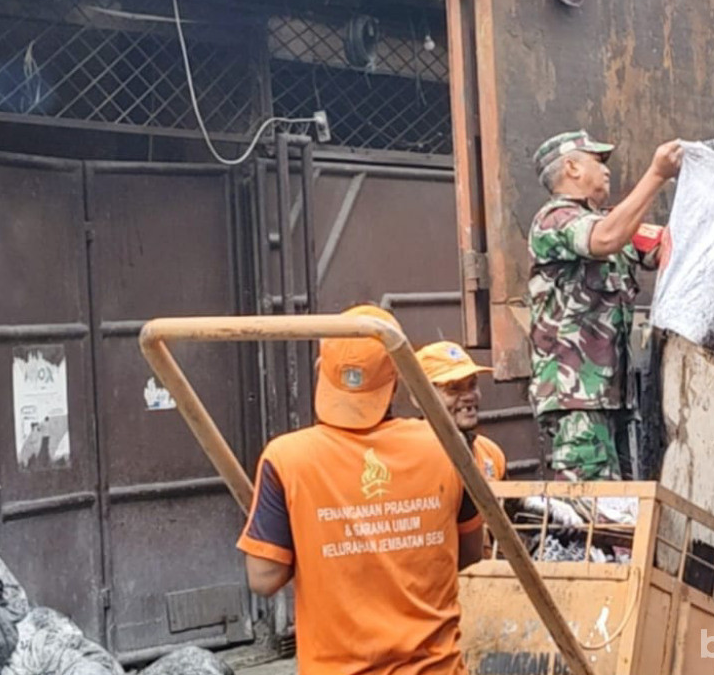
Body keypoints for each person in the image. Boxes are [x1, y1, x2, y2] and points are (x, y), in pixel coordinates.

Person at [237, 305, 484, 675]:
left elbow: (263, 578)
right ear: (397, 380)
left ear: (322, 372)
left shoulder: (288, 459)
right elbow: (468, 552)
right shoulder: (446, 446)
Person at [528, 130, 681, 481]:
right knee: (590, 513)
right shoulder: (554, 220)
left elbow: (661, 244)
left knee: (620, 513)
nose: (607, 170)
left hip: (613, 397)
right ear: (571, 167)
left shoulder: (612, 221)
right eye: (598, 161)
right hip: (576, 397)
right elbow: (605, 239)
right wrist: (657, 174)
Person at [415, 341, 506, 480]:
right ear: (419, 396)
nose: (469, 396)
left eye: (472, 385)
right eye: (453, 388)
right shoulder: (410, 459)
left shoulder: (490, 454)